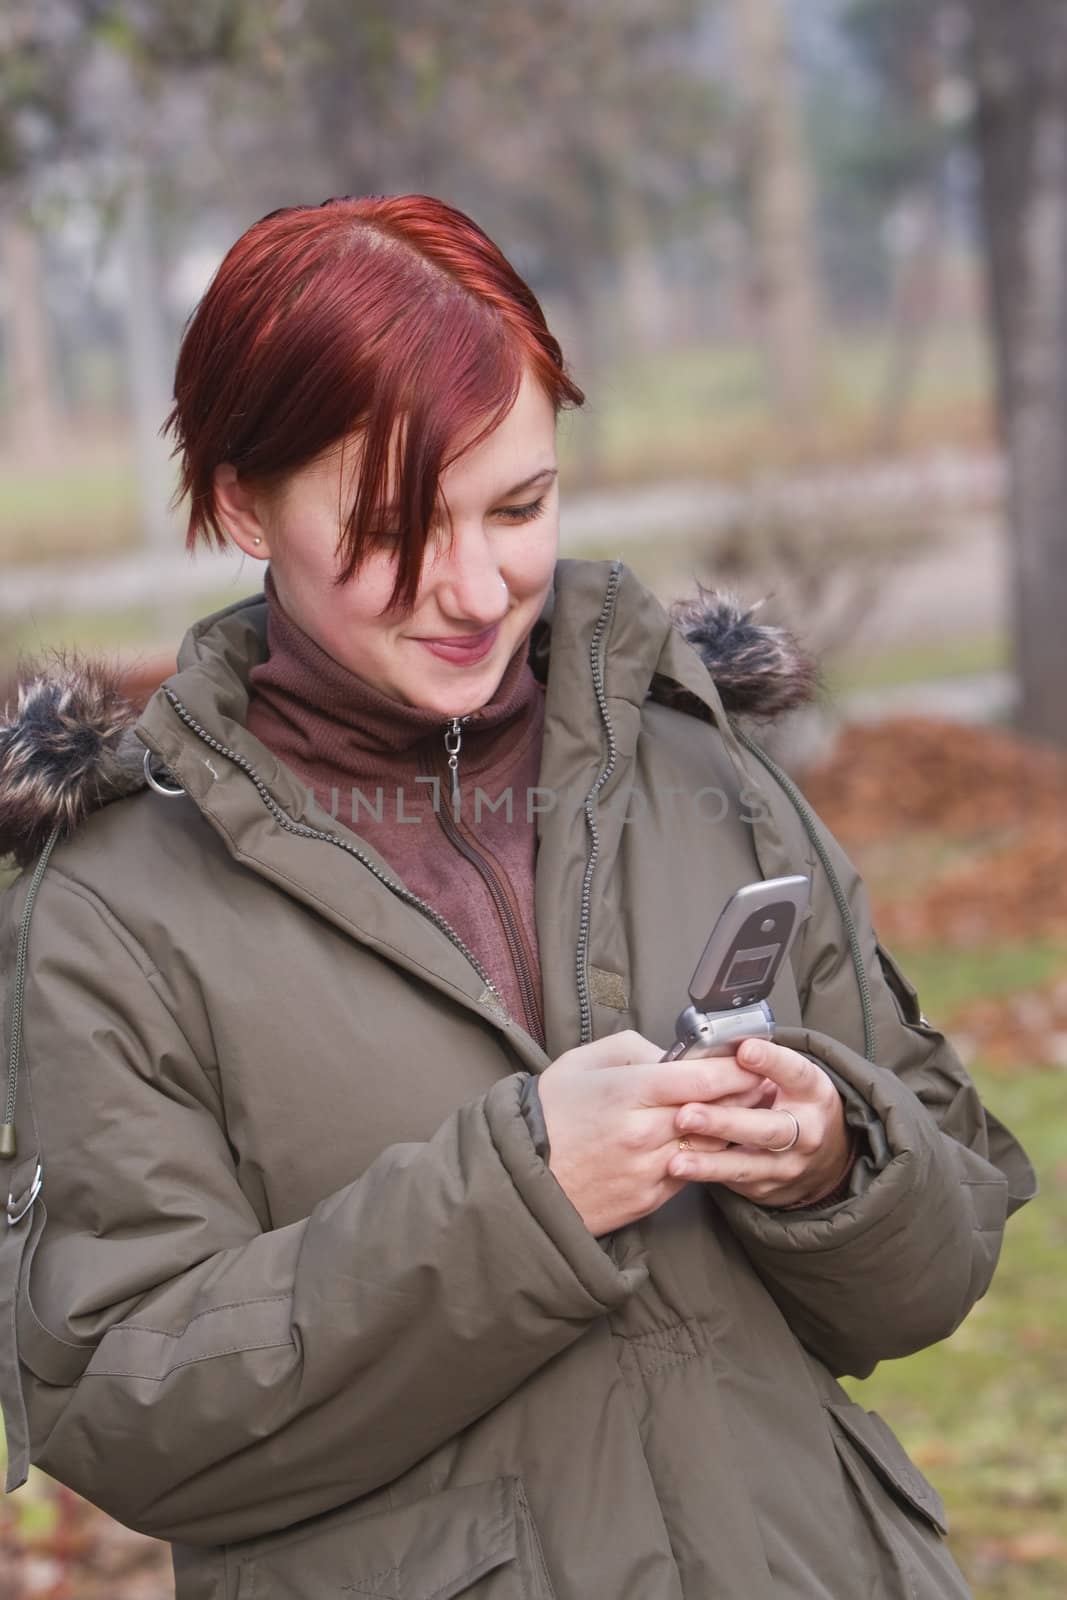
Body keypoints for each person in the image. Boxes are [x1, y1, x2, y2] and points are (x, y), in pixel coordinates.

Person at [0, 194, 1034, 1600]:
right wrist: (525, 1199)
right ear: (242, 501)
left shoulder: (704, 772)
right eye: (392, 524)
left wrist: (833, 1159)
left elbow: (945, 1253)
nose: (477, 586)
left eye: (521, 506)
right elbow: (119, 1403)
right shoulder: (116, 906)